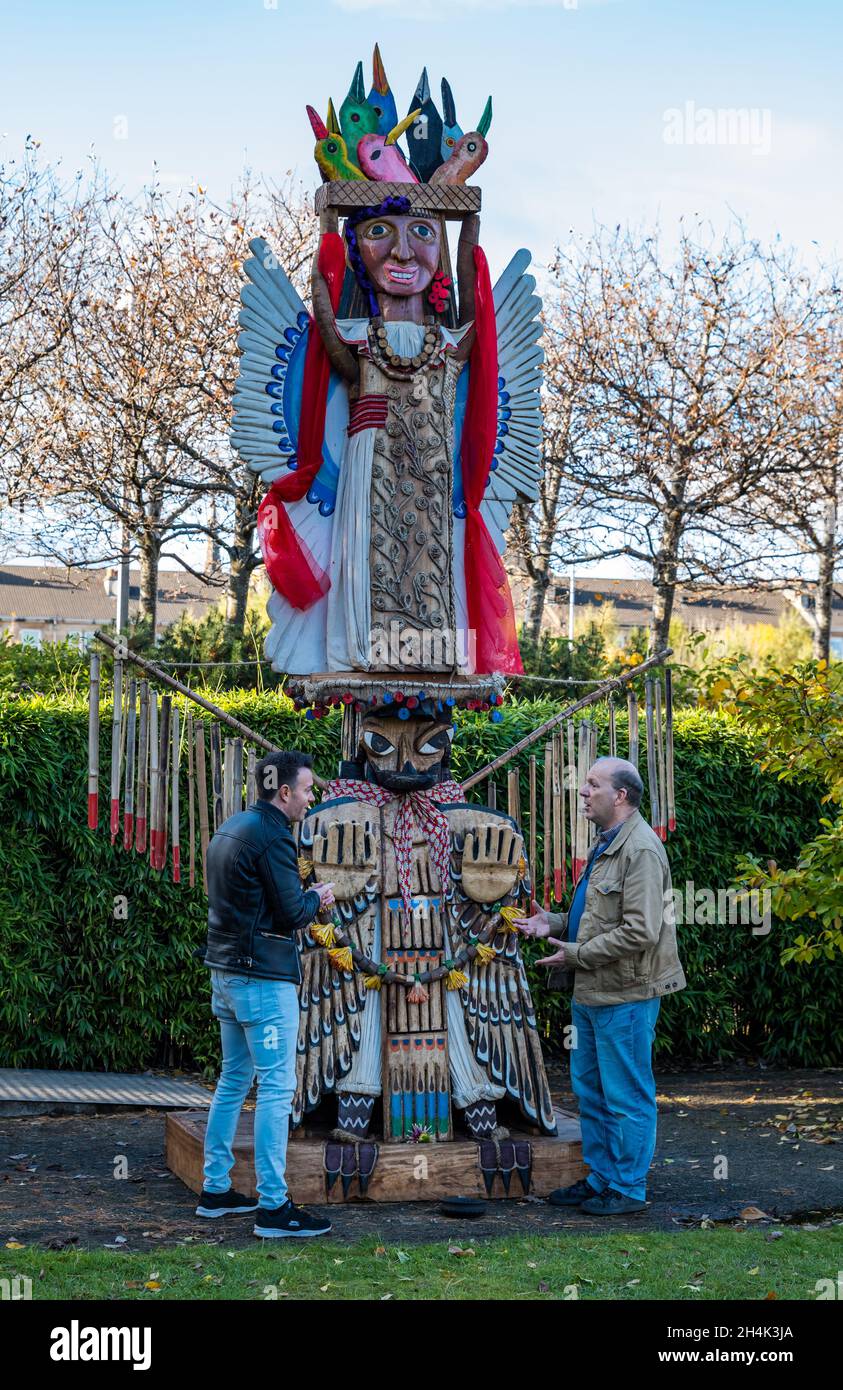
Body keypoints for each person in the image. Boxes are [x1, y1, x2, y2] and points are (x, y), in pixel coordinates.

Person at [516, 756, 686, 1215]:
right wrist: (548, 923)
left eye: (593, 784)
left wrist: (574, 954)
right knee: (591, 1091)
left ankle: (628, 1188)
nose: (583, 792)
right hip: (593, 991)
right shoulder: (607, 844)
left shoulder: (642, 851)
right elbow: (593, 920)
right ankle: (601, 1178)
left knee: (626, 1094)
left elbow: (642, 930)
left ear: (622, 796)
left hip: (626, 995)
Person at [194, 750, 336, 1238]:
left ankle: (215, 1190)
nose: (311, 796)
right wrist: (321, 896)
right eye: (307, 789)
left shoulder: (233, 826)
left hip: (226, 975)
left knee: (233, 1081)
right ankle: (273, 1208)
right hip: (262, 981)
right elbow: (294, 912)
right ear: (284, 793)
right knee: (277, 1089)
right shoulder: (274, 837)